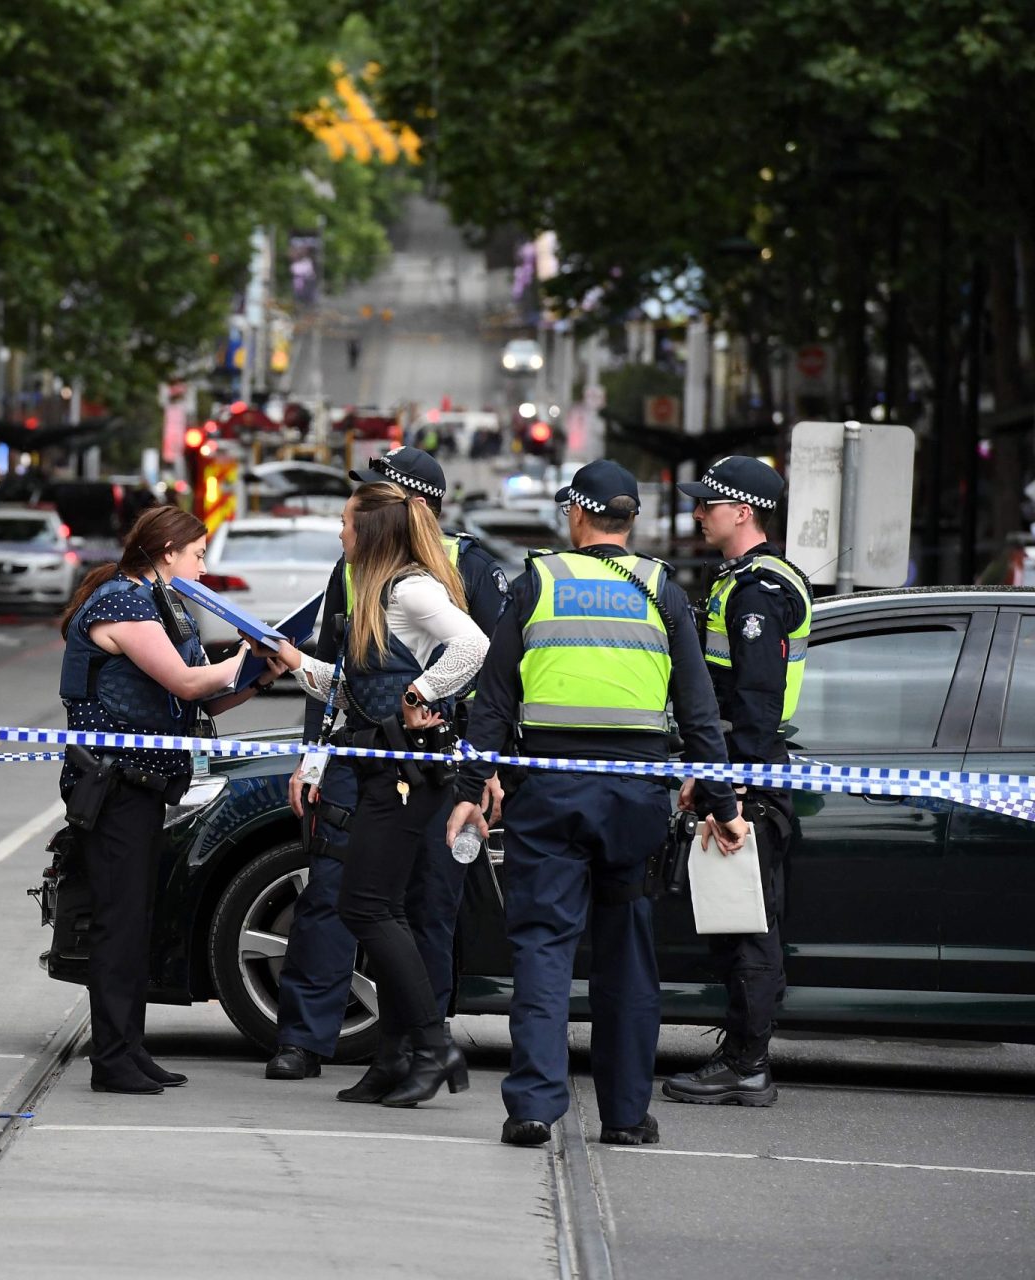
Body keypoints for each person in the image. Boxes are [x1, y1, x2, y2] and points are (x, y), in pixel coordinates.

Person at [445, 459, 747, 1148]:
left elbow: (493, 703)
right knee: (629, 959)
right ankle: (625, 1115)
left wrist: (470, 793)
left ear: (576, 515)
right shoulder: (662, 590)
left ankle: (532, 1107)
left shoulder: (537, 583)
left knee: (544, 952)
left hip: (548, 795)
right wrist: (725, 806)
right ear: (630, 519)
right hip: (636, 800)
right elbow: (699, 715)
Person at [264, 446, 510, 1083]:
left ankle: (414, 1046)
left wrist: (479, 760)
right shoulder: (355, 572)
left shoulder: (452, 572)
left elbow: (489, 664)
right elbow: (348, 681)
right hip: (364, 758)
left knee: (420, 906)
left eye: (369, 501)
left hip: (426, 763)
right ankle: (319, 1040)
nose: (347, 523)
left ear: (405, 509)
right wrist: (314, 753)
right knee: (337, 896)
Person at [58, 505, 285, 1094]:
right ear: (166, 550)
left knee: (138, 922)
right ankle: (111, 1058)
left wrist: (257, 676)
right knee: (119, 924)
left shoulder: (161, 604)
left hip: (146, 786)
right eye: (198, 554)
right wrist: (247, 654)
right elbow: (187, 683)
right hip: (114, 787)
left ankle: (130, 1049)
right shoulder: (122, 603)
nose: (204, 568)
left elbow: (200, 704)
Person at [662, 456, 811, 1107]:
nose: (699, 513)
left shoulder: (759, 593)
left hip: (751, 775)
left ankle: (749, 1065)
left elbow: (755, 701)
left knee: (748, 924)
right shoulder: (741, 583)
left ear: (742, 511)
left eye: (708, 504)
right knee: (734, 920)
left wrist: (737, 793)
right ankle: (740, 1053)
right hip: (736, 768)